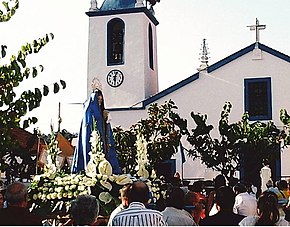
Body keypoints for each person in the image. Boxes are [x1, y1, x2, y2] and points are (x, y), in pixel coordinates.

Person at [71, 80, 121, 174]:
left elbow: (106, 127)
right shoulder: (89, 113)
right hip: (93, 141)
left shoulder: (102, 112)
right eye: (98, 100)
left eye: (101, 101)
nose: (99, 102)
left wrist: (106, 120)